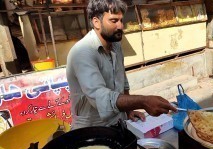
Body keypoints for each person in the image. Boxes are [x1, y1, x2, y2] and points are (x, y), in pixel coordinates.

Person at [66, 0, 177, 130]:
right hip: (91, 128)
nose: (120, 26)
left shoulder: (116, 45)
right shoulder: (82, 52)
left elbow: (122, 81)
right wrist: (143, 101)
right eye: (114, 21)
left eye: (121, 20)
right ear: (96, 22)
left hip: (118, 121)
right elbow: (99, 95)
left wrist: (129, 110)